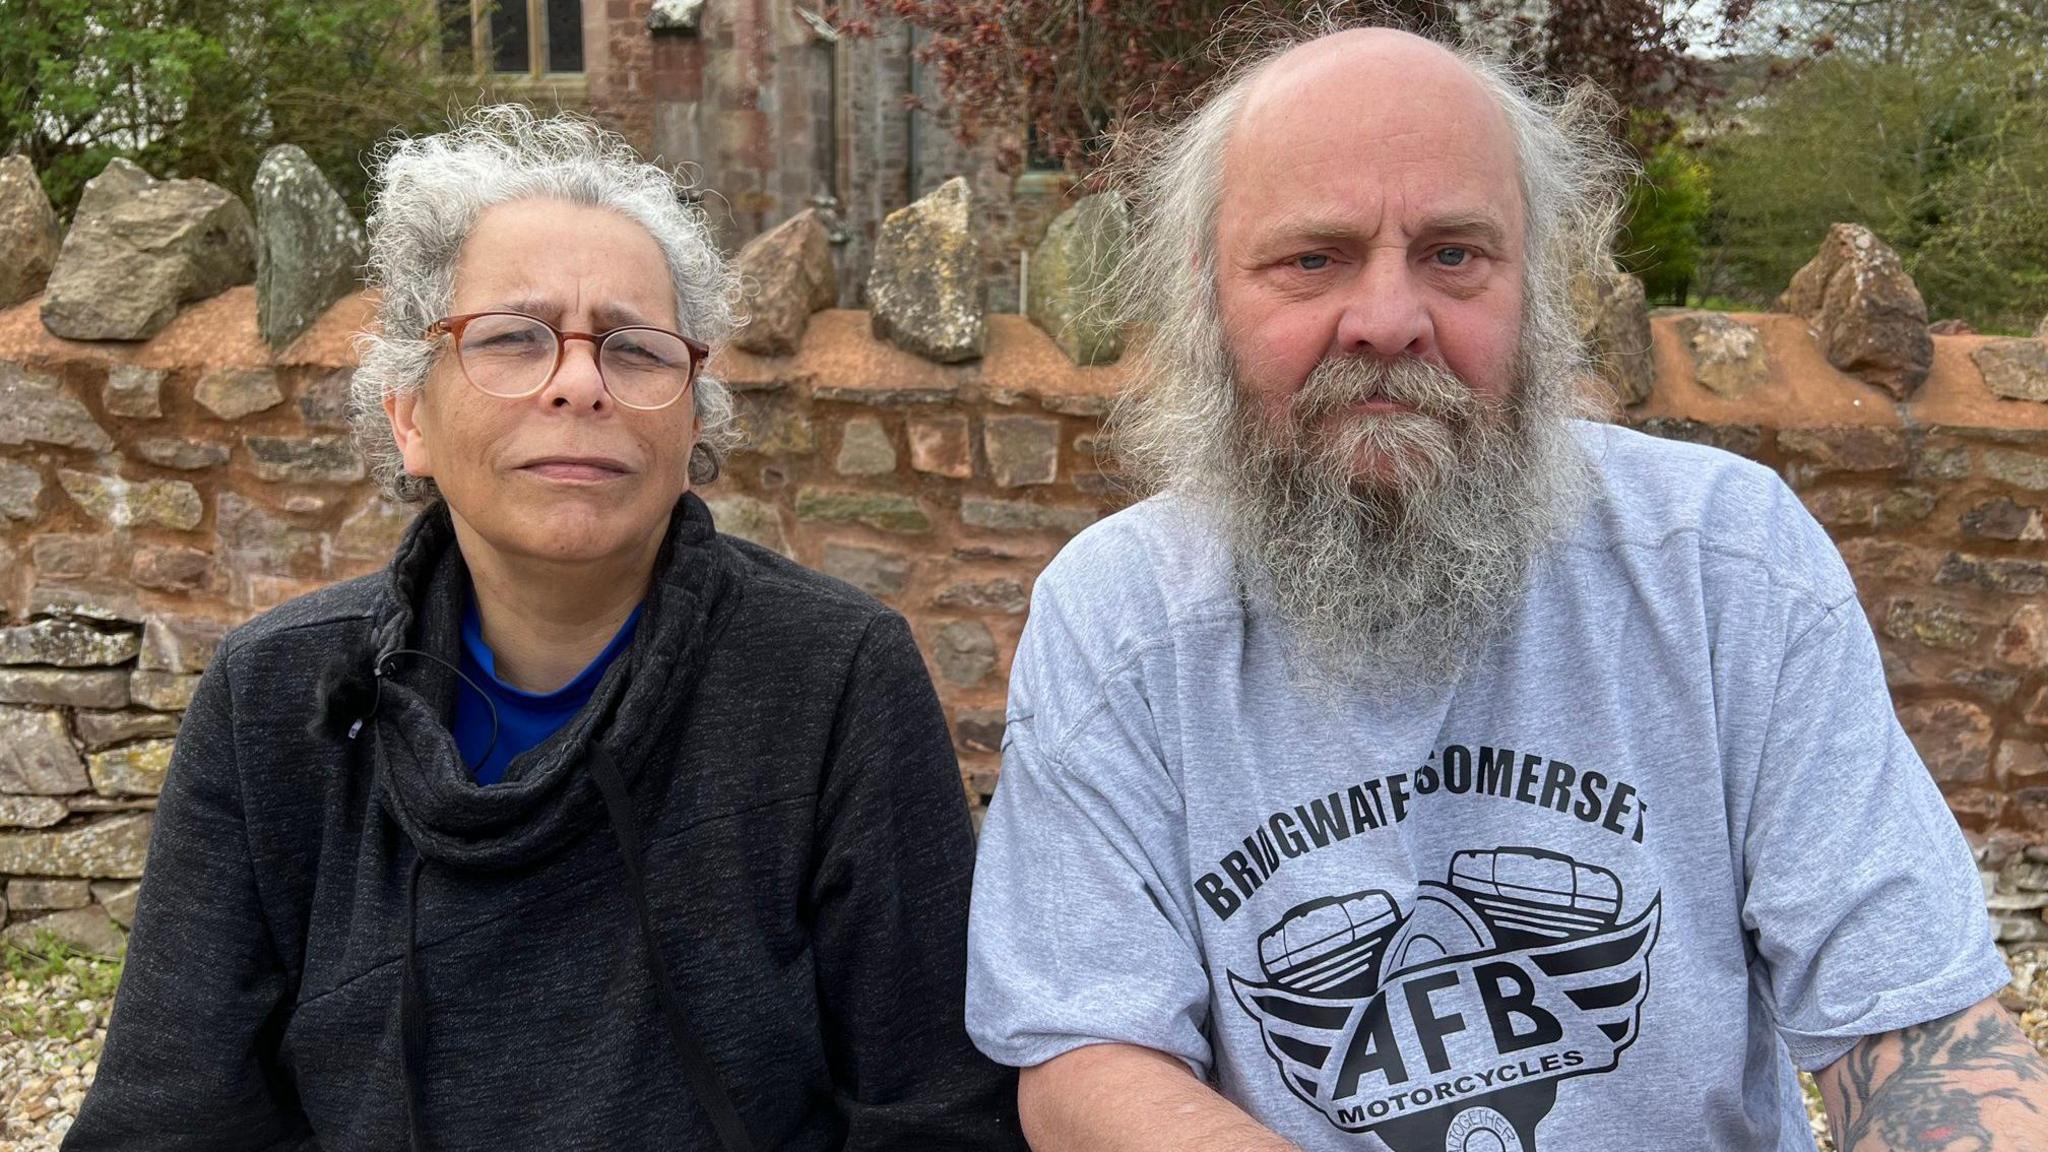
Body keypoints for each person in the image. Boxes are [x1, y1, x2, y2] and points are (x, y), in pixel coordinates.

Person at [965, 25, 2048, 1152]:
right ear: (1204, 298)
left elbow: (1922, 1034)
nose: (1387, 319)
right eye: (1310, 259)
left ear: (1532, 286)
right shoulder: (1116, 617)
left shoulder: (1725, 561)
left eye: (1451, 255)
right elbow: (1086, 1058)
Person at [68, 106, 1022, 1152]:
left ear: (694, 416)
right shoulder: (276, 693)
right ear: (408, 415)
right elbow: (168, 1120)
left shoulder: (833, 677)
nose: (579, 382)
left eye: (636, 349)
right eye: (514, 338)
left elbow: (937, 1115)